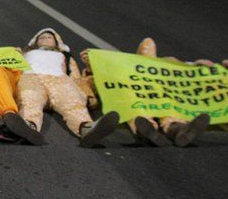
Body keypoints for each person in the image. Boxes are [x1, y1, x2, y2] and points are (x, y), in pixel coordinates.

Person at [79, 39, 210, 147]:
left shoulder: (150, 69)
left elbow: (170, 66)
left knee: (164, 96)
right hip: (129, 94)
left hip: (150, 90)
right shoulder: (94, 78)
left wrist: (194, 66)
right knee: (132, 102)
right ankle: (150, 129)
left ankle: (176, 128)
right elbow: (88, 94)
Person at [17, 28, 119, 147]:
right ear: (35, 42)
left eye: (49, 37)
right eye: (42, 38)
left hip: (60, 81)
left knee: (73, 102)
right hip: (32, 79)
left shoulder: (65, 56)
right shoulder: (26, 54)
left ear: (56, 41)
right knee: (28, 100)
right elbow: (14, 68)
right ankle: (29, 125)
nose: (45, 39)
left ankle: (86, 127)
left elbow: (75, 76)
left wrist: (87, 93)